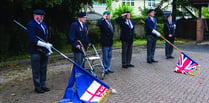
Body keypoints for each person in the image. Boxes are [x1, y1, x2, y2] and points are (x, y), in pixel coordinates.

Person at [27, 9, 52, 93]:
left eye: (42, 16)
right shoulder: (31, 25)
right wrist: (44, 44)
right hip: (35, 51)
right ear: (35, 15)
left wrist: (47, 44)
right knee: (36, 70)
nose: (41, 17)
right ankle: (37, 87)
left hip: (44, 50)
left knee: (43, 68)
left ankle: (43, 85)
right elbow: (32, 39)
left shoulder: (43, 24)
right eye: (40, 16)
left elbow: (45, 36)